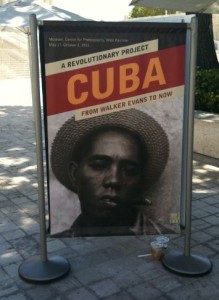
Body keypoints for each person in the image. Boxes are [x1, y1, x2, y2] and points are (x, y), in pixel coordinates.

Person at [50, 108, 170, 237]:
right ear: (74, 174)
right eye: (99, 166)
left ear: (140, 181)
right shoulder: (60, 241)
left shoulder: (164, 238)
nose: (114, 180)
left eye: (129, 171)